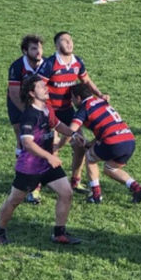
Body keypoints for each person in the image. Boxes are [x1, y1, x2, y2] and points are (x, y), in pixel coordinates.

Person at [0, 76, 86, 245]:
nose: (46, 88)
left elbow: (57, 124)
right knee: (14, 200)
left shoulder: (47, 108)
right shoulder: (29, 116)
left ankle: (59, 234)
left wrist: (73, 134)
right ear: (31, 93)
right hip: (30, 167)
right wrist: (50, 156)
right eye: (41, 86)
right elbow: (27, 144)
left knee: (66, 193)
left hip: (47, 165)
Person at [38, 32, 110, 195]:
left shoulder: (78, 62)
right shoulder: (50, 64)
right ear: (57, 46)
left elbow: (86, 81)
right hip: (49, 111)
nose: (69, 43)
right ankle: (39, 186)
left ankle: (75, 182)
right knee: (50, 148)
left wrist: (100, 94)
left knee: (80, 145)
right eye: (64, 41)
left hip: (68, 111)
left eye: (70, 40)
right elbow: (38, 87)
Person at [69, 84, 141, 204]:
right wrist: (91, 143)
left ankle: (96, 195)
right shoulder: (101, 101)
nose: (72, 101)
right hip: (129, 140)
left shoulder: (84, 108)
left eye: (72, 98)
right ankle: (137, 189)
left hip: (114, 142)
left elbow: (71, 130)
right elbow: (105, 127)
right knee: (110, 168)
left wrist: (58, 145)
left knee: (90, 157)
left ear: (78, 98)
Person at [7, 34, 45, 204]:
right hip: (18, 105)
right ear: (25, 51)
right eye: (34, 48)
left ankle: (34, 186)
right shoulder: (16, 66)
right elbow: (14, 93)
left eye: (40, 48)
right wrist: (28, 113)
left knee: (38, 142)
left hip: (37, 106)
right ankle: (23, 178)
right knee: (23, 142)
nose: (38, 52)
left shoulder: (46, 65)